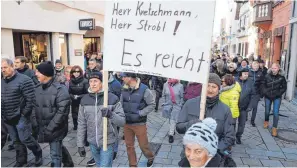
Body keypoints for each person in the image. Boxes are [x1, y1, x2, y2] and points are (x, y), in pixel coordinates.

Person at [176, 73, 235, 157]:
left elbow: (229, 137)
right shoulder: (189, 104)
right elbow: (179, 127)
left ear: (219, 89)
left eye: (214, 87)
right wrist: (190, 124)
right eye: (208, 85)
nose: (210, 90)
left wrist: (212, 150)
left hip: (213, 157)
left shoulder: (225, 109)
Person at [77, 72, 125, 167]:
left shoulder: (112, 98)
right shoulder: (84, 100)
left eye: (96, 81)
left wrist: (111, 114)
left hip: (107, 141)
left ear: (102, 83)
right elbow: (81, 123)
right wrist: (80, 144)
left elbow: (122, 122)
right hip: (92, 142)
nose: (93, 84)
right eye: (91, 81)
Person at [1, 58, 43, 167]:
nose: (3, 70)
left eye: (5, 67)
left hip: (21, 116)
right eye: (1, 68)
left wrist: (24, 114)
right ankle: (21, 160)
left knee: (25, 138)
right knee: (16, 141)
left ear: (12, 67)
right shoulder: (1, 81)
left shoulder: (24, 80)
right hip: (7, 116)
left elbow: (31, 99)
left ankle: (38, 153)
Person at [34, 61, 74, 167]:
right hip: (43, 127)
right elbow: (34, 107)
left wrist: (50, 128)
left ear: (45, 74)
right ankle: (69, 162)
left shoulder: (60, 90)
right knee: (57, 146)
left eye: (38, 72)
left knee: (55, 155)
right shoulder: (37, 88)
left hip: (56, 128)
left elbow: (62, 112)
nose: (35, 74)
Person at [121, 72, 156, 167]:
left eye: (123, 77)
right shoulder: (123, 88)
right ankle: (133, 165)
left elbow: (152, 104)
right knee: (129, 146)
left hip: (139, 123)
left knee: (143, 145)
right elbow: (121, 103)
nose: (122, 78)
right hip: (127, 123)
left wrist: (141, 113)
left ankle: (150, 157)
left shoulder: (144, 89)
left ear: (130, 77)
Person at [262, 63, 287, 137]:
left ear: (278, 69)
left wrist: (278, 94)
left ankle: (274, 128)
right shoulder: (267, 76)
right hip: (268, 96)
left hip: (277, 97)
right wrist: (265, 92)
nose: (273, 69)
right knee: (267, 110)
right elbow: (263, 85)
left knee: (276, 112)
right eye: (272, 68)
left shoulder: (282, 77)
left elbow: (284, 87)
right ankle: (266, 121)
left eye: (275, 68)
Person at [162, 78, 184, 143]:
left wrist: (180, 105)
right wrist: (164, 104)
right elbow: (163, 95)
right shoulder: (165, 85)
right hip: (168, 105)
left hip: (176, 106)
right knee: (170, 119)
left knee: (173, 119)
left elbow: (182, 97)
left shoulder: (180, 86)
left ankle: (171, 135)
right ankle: (172, 129)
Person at [235, 68, 253, 144]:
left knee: (242, 124)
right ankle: (230, 137)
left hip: (244, 107)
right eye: (244, 73)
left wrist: (250, 106)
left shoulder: (250, 82)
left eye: (247, 73)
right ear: (240, 74)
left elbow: (253, 95)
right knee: (232, 123)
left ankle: (238, 136)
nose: (246, 75)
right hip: (234, 106)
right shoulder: (235, 81)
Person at [69, 65, 89, 130]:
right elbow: (69, 92)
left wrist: (78, 96)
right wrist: (72, 96)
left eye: (78, 72)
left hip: (82, 101)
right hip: (74, 101)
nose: (76, 73)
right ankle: (75, 126)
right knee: (74, 115)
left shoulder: (85, 81)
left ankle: (82, 127)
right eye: (74, 72)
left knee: (82, 116)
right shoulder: (70, 81)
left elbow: (87, 93)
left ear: (80, 72)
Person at [248, 60, 264, 127]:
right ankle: (244, 117)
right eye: (255, 65)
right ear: (252, 65)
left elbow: (262, 84)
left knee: (255, 107)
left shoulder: (260, 73)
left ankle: (252, 121)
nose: (256, 67)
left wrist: (261, 94)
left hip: (256, 93)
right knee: (247, 106)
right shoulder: (248, 72)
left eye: (257, 66)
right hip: (248, 93)